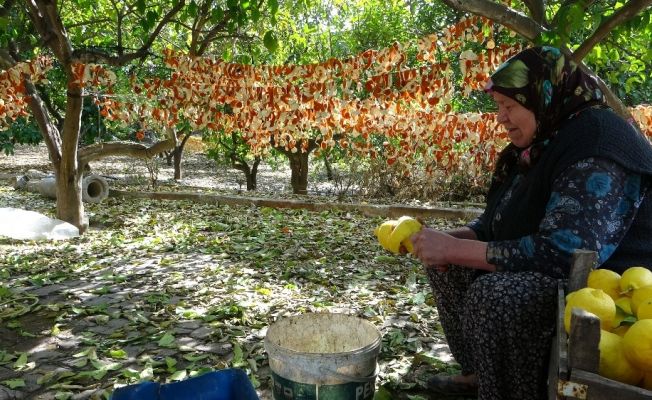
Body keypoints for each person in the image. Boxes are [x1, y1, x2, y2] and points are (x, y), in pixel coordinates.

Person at [409, 46, 652, 399]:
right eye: (498, 107)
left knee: (498, 296)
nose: (500, 118)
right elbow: (498, 223)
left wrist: (457, 247)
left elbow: (565, 253)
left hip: (614, 289)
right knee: (449, 265)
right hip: (563, 275)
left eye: (509, 107)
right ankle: (483, 375)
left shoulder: (597, 141)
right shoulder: (539, 145)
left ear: (543, 96)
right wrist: (450, 240)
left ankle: (513, 390)